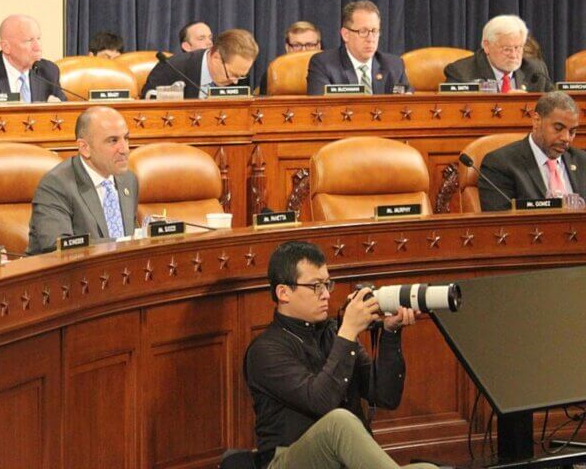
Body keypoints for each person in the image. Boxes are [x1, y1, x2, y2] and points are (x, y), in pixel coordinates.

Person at [245, 241, 432, 469]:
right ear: (283, 292)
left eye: (327, 284)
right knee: (338, 421)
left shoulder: (333, 333)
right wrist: (349, 331)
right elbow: (321, 403)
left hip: (342, 462)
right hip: (287, 461)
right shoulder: (265, 351)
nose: (325, 295)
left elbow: (386, 396)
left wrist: (390, 332)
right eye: (316, 286)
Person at [27, 106, 138, 255]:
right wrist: (122, 243)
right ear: (85, 148)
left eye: (126, 138)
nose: (124, 149)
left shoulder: (128, 180)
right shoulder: (56, 185)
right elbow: (58, 247)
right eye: (113, 141)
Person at [478, 91, 586, 211]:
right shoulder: (500, 164)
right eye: (558, 128)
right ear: (536, 121)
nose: (566, 138)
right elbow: (500, 224)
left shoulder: (582, 161)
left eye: (572, 131)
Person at [0, 14, 66, 104]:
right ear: (6, 47)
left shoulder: (48, 72)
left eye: (38, 39)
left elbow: (67, 116)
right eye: (29, 41)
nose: (38, 47)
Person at [306, 1, 411, 95]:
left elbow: (405, 106)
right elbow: (321, 110)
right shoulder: (323, 65)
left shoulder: (394, 66)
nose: (371, 38)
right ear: (345, 34)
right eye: (363, 31)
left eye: (374, 31)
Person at [443, 15, 553, 93]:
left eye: (518, 48)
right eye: (507, 49)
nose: (514, 55)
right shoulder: (462, 73)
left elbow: (556, 106)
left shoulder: (536, 71)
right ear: (487, 46)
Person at [141, 29, 259, 99]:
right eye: (232, 74)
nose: (236, 82)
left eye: (241, 76)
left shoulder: (238, 76)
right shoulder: (171, 69)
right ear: (216, 57)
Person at [258, 21, 323, 95]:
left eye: (310, 45)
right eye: (297, 45)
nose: (303, 50)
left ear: (319, 46)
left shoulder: (331, 70)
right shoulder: (274, 72)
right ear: (287, 47)